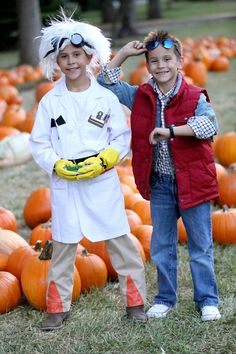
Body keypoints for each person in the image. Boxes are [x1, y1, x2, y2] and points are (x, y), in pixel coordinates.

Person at [29, 10, 147, 331]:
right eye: (63, 57)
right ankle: (58, 306)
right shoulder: (50, 103)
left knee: (121, 242)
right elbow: (39, 142)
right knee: (64, 247)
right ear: (56, 62)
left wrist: (107, 158)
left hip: (101, 180)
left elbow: (121, 136)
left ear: (89, 56)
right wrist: (56, 163)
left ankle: (135, 301)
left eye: (77, 55)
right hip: (65, 183)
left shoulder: (105, 98)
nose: (70, 62)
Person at [97, 30, 221, 321]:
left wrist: (171, 132)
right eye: (154, 60)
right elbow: (106, 81)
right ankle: (165, 298)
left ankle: (207, 300)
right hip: (161, 183)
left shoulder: (194, 95)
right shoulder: (140, 96)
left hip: (193, 182)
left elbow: (208, 126)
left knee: (200, 246)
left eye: (167, 59)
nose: (161, 65)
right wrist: (125, 53)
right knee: (161, 245)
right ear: (148, 65)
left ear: (179, 61)